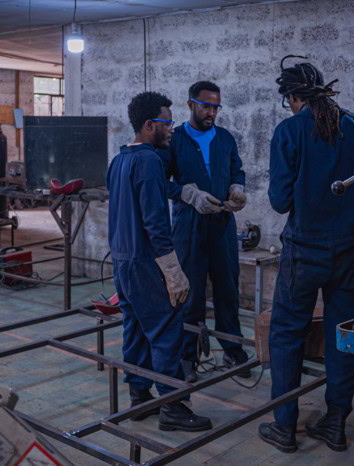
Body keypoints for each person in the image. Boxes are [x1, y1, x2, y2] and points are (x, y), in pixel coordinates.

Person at [258, 56, 354, 453]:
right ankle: (335, 423)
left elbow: (280, 201)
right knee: (343, 334)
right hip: (348, 250)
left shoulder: (289, 131)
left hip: (304, 252)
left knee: (286, 335)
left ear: (294, 96)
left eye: (290, 101)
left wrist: (306, 188)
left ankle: (285, 425)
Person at [106, 91, 212, 432]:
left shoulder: (120, 160)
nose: (172, 130)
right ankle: (173, 407)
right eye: (167, 124)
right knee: (166, 330)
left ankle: (140, 398)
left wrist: (181, 190)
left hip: (122, 262)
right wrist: (172, 270)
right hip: (146, 263)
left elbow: (143, 196)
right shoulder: (150, 161)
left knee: (135, 329)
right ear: (149, 125)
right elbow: (154, 222)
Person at [160, 81, 250, 383]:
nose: (211, 112)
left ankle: (232, 348)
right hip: (189, 226)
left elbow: (237, 169)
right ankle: (187, 355)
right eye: (206, 106)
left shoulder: (225, 138)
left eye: (216, 106)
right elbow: (162, 181)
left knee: (227, 288)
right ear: (190, 105)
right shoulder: (176, 140)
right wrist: (187, 194)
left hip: (223, 223)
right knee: (190, 290)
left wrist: (238, 186)